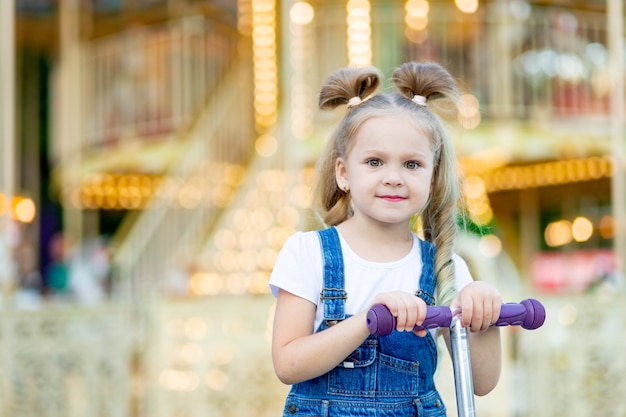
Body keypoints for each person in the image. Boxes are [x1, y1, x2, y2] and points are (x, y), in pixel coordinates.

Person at [269, 61, 502, 417]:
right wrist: (367, 319)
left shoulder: (444, 267)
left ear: (433, 176)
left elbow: (481, 383)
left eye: (411, 165)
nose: (394, 177)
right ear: (344, 173)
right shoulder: (309, 253)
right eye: (375, 162)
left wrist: (482, 314)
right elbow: (288, 363)